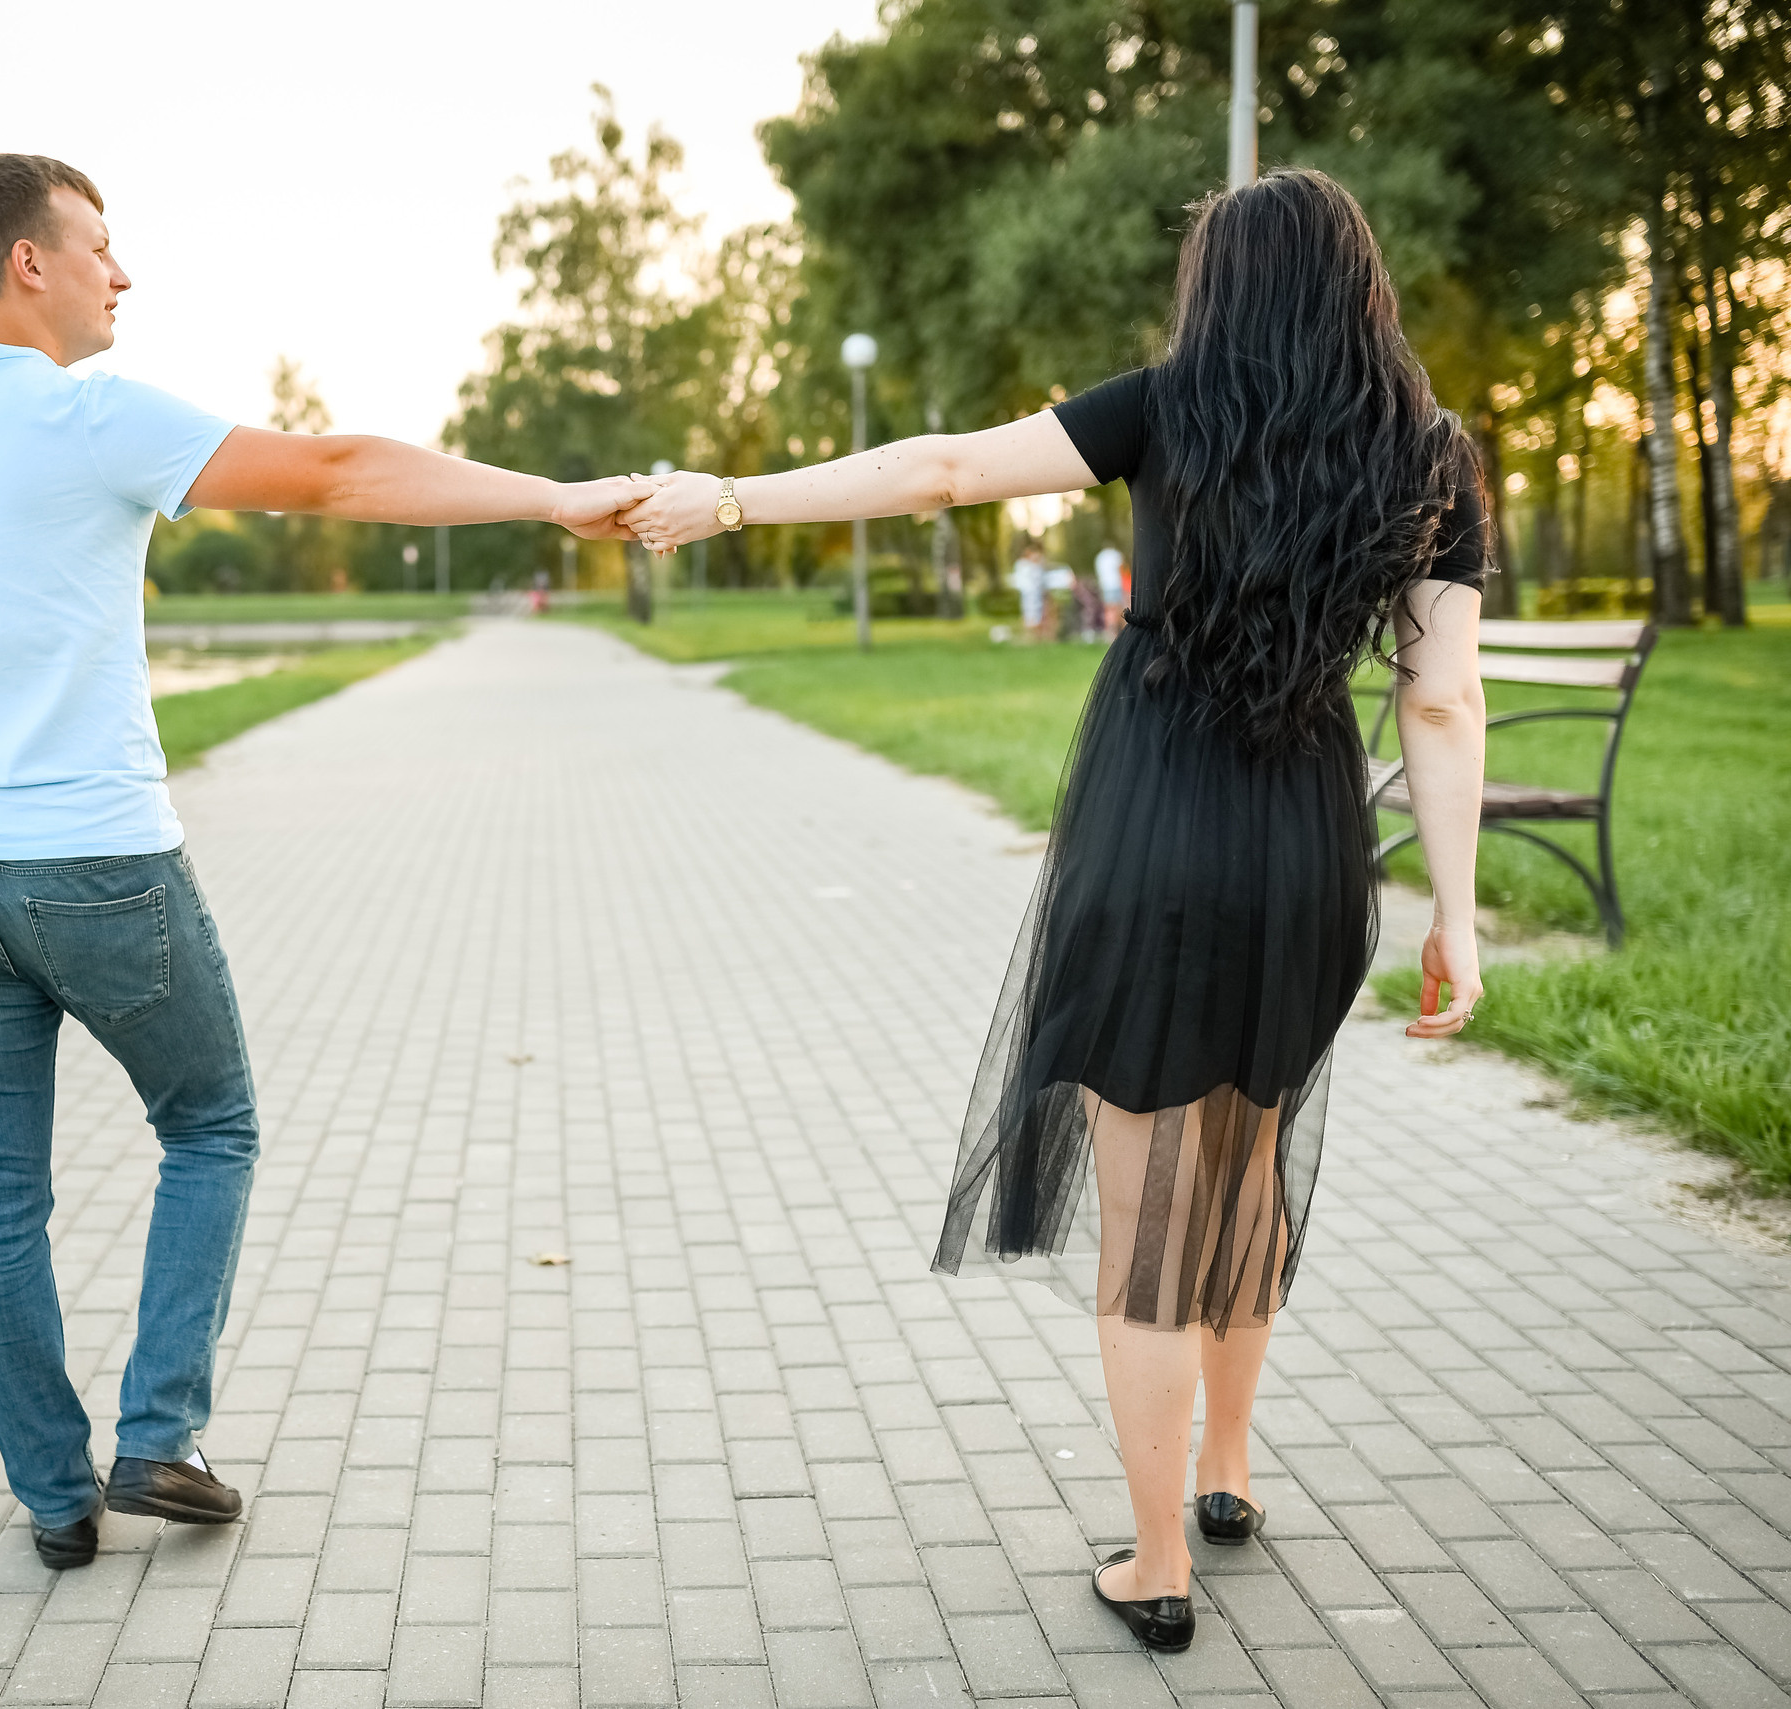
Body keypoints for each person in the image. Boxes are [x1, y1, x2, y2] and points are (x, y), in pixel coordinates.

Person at [618, 166, 1487, 1652]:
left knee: (1149, 1212)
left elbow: (946, 468)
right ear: (1362, 287)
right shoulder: (1429, 454)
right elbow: (1444, 698)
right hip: (1302, 845)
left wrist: (739, 498)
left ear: (1220, 289)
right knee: (1253, 1161)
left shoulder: (1165, 406)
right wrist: (1456, 916)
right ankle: (1228, 1475)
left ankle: (1157, 1563)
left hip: (1154, 824)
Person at [0, 154, 646, 1572]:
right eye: (100, 246)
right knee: (211, 1126)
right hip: (101, 865)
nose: (121, 274)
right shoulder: (91, 416)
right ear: (28, 261)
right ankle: (159, 1433)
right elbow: (337, 471)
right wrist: (554, 498)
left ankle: (52, 1498)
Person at [1009, 542, 1050, 640]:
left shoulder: (1032, 565)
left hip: (1034, 592)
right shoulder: (1023, 565)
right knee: (1030, 611)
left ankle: (1036, 632)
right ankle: (1031, 632)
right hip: (1029, 592)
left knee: (1035, 611)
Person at [1095, 540, 1130, 636]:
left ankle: (1110, 632)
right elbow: (1122, 570)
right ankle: (1122, 632)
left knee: (1109, 609)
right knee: (1119, 608)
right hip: (1116, 585)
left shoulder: (1099, 557)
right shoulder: (1116, 555)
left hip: (1105, 587)